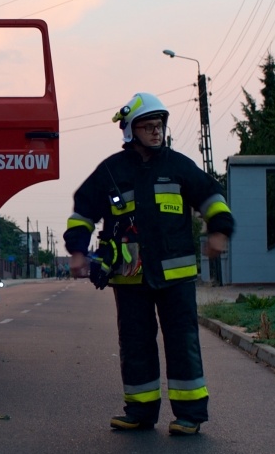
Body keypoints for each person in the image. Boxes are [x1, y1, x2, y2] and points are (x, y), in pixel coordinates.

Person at [64, 92, 234, 435]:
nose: (156, 133)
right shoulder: (111, 171)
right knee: (135, 344)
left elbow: (211, 196)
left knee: (182, 342)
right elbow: (83, 211)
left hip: (176, 277)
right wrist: (78, 250)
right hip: (130, 277)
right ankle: (140, 412)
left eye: (159, 126)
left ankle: (190, 415)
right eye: (148, 127)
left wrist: (219, 231)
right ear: (131, 131)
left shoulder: (178, 166)